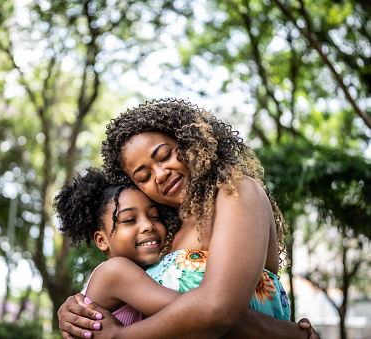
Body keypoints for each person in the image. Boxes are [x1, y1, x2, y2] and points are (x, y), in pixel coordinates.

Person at [58, 98, 320, 339]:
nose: (159, 174)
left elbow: (220, 309)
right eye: (143, 177)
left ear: (191, 142)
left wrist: (122, 337)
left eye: (165, 155)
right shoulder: (165, 233)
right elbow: (122, 289)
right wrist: (76, 308)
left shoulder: (235, 192)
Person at [54, 167, 182, 327]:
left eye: (155, 216)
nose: (148, 225)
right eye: (129, 220)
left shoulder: (146, 271)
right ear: (101, 240)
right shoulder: (115, 271)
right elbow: (191, 310)